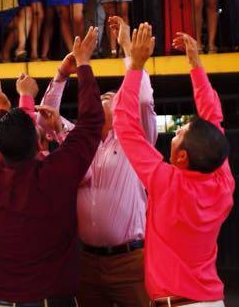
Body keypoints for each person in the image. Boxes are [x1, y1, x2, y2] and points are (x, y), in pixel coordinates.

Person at [0, 27, 102, 305]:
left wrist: (14, 106)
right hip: (52, 299)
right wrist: (82, 65)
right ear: (38, 144)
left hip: (3, 300)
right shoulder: (55, 173)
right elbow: (92, 123)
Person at [113, 25, 234, 306]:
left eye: (179, 133)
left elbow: (125, 125)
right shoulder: (221, 181)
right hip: (211, 301)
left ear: (182, 157)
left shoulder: (165, 181)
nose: (175, 134)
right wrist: (195, 64)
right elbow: (213, 120)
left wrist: (135, 65)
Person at [42, 17, 155, 307]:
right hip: (87, 261)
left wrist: (130, 52)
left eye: (113, 96)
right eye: (104, 96)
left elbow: (141, 101)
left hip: (131, 260)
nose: (109, 98)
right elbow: (45, 119)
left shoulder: (134, 141)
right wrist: (61, 75)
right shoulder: (79, 141)